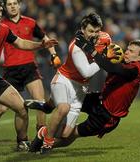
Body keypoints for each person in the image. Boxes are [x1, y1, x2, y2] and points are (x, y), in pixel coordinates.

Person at [26, 39, 140, 152]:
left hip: (107, 116)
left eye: (131, 51)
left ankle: (43, 139)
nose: (126, 52)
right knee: (70, 95)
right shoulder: (123, 60)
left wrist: (91, 50)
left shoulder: (135, 69)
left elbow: (113, 68)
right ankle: (48, 106)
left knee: (69, 134)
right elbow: (105, 58)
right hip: (99, 99)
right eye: (127, 49)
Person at [25, 12, 113, 154]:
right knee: (63, 108)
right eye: (91, 31)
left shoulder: (105, 39)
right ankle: (47, 143)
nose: (94, 34)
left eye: (97, 31)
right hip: (64, 80)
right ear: (83, 29)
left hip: (81, 89)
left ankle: (43, 131)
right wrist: (104, 59)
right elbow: (86, 72)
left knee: (65, 134)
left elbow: (108, 53)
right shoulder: (76, 46)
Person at [0, 0, 57, 151]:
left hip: (3, 76)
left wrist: (42, 46)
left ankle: (25, 141)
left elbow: (21, 43)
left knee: (23, 107)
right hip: (11, 70)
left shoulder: (4, 29)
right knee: (1, 109)